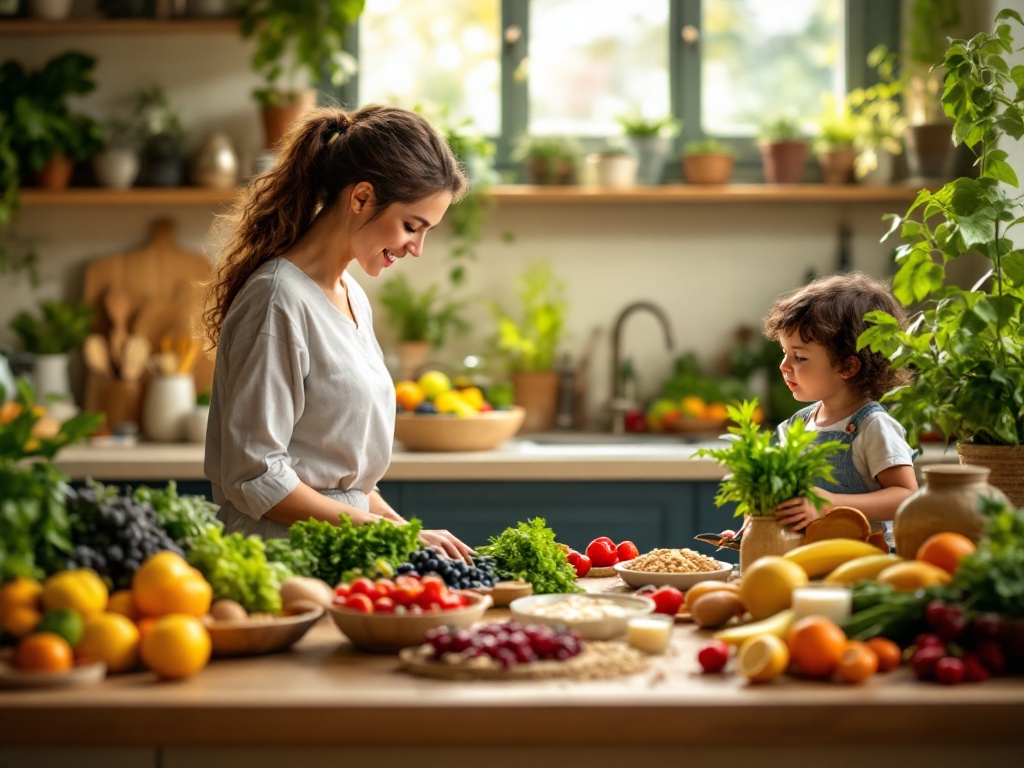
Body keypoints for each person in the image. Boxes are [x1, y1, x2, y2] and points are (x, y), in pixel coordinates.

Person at [202, 104, 473, 562]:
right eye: (412, 226)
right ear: (361, 198)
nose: (417, 249)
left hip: (343, 556)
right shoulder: (277, 300)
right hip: (284, 564)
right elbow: (257, 476)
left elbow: (344, 483)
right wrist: (389, 536)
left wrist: (407, 533)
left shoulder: (351, 296)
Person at [760, 271, 919, 546]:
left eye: (799, 357)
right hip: (809, 556)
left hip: (867, 560)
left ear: (847, 366)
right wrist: (750, 531)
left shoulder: (873, 426)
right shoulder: (795, 427)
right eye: (784, 353)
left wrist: (830, 503)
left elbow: (906, 495)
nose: (784, 366)